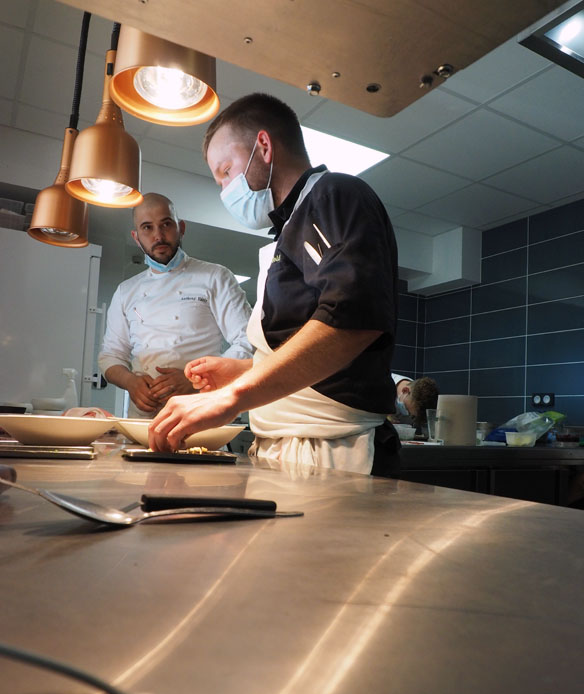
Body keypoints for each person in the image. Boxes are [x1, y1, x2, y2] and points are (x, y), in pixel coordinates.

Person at [149, 93, 399, 475]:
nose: (224, 190)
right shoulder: (288, 230)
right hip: (290, 447)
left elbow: (353, 318)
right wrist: (246, 369)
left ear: (263, 147)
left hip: (336, 451)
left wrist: (234, 397)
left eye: (226, 171)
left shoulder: (335, 195)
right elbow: (307, 347)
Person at [97, 193, 253, 417]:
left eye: (166, 224)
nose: (158, 236)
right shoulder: (125, 291)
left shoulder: (215, 276)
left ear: (181, 227)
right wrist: (131, 382)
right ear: (136, 236)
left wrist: (198, 380)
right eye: (147, 228)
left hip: (201, 413)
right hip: (143, 421)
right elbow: (110, 355)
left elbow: (248, 341)